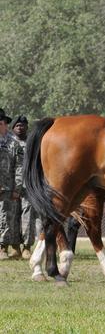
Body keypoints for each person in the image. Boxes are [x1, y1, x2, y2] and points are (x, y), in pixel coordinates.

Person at [11, 115, 37, 259]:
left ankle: (27, 247)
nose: (20, 127)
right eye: (17, 125)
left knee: (28, 215)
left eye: (23, 125)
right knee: (12, 215)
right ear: (13, 128)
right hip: (11, 185)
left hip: (28, 185)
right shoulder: (8, 142)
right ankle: (14, 247)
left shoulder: (32, 143)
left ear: (27, 127)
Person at [0, 108, 22, 260]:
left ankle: (3, 248)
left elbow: (20, 167)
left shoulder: (13, 143)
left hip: (8, 188)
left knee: (7, 217)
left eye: (1, 123)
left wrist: (17, 187)